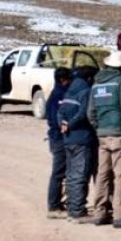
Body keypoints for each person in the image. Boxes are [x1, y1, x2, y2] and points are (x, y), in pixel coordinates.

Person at [88, 51, 121, 228]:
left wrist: (99, 128)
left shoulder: (96, 84)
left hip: (102, 135)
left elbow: (91, 112)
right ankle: (120, 214)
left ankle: (99, 212)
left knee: (103, 174)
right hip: (120, 134)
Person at [58, 66, 98, 222]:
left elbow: (60, 112)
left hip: (68, 139)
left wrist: (63, 124)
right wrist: (71, 124)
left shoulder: (69, 91)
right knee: (81, 175)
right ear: (89, 78)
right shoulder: (87, 91)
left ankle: (71, 208)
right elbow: (84, 114)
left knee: (71, 175)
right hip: (83, 139)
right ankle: (78, 211)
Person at [45, 67, 73, 219]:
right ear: (63, 80)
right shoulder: (58, 96)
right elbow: (56, 120)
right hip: (59, 138)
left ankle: (58, 203)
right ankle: (54, 206)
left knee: (62, 172)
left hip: (58, 138)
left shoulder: (58, 94)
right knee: (58, 173)